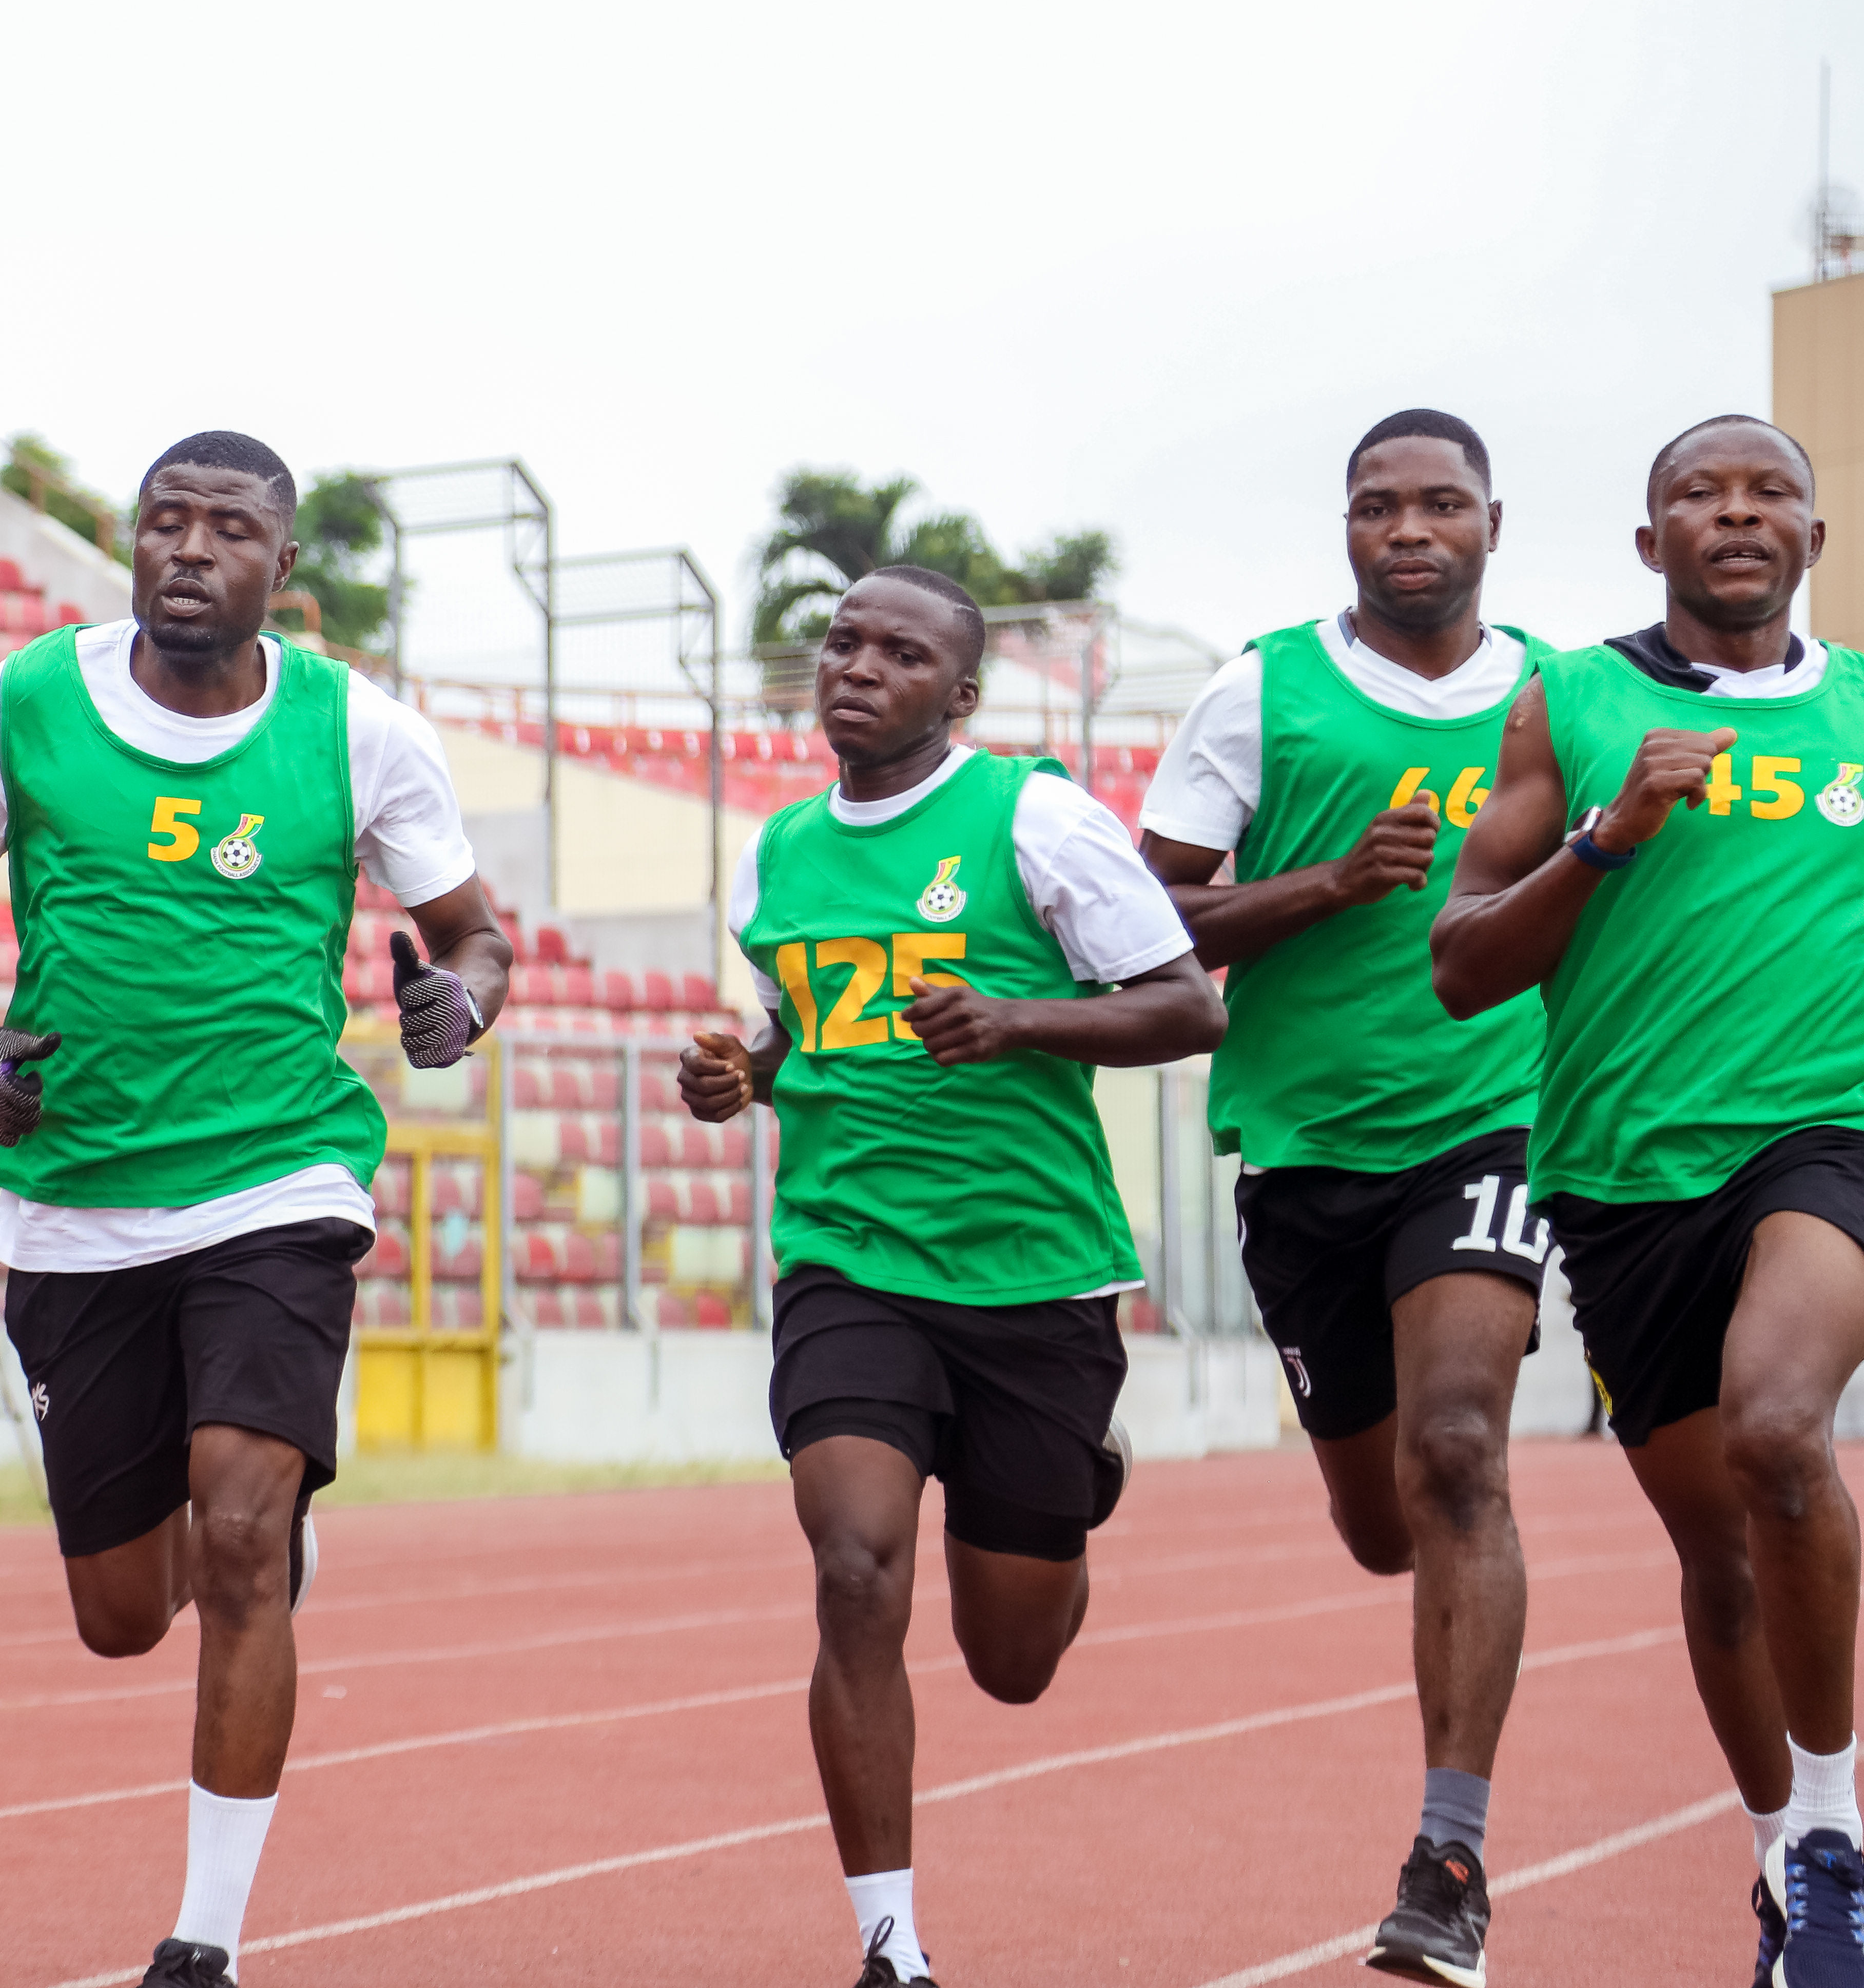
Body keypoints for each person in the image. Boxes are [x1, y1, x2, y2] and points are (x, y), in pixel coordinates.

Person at [0, 430, 511, 1988]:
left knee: (239, 1535)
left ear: (280, 569)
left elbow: (469, 934)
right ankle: (247, 1539)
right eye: (163, 523)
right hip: (76, 1204)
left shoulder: (358, 731)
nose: (188, 550)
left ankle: (206, 1940)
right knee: (121, 1614)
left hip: (280, 1179)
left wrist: (457, 1008)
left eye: (227, 530)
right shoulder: (24, 701)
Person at [677, 567, 1224, 1987]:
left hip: (1033, 1273)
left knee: (1013, 1657)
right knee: (856, 1564)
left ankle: (1067, 1481)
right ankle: (891, 1945)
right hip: (848, 1258)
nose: (857, 667)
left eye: (900, 653)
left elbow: (1186, 1003)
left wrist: (1020, 1020)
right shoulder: (778, 850)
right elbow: (797, 1028)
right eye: (843, 642)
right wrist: (748, 1072)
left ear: (960, 695)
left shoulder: (1031, 819)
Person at [1434, 414, 1859, 1987]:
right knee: (1722, 1550)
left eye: (1769, 495)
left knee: (1776, 1432)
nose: (1736, 515)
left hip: (1829, 1142)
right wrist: (1609, 842)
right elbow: (1464, 964)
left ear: (1812, 540)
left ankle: (1832, 1835)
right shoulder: (1578, 703)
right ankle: (1781, 1863)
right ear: (1648, 539)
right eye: (1700, 493)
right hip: (1623, 1180)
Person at [1138, 410, 1547, 1986]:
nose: (1410, 531)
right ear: (1348, 528)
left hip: (1493, 1119)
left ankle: (1449, 1859)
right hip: (1305, 1153)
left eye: (1443, 504)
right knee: (1384, 1523)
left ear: (1494, 526)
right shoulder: (1260, 693)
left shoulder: (1555, 699)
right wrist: (1329, 885)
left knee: (1461, 1452)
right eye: (1380, 506)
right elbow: (1148, 928)